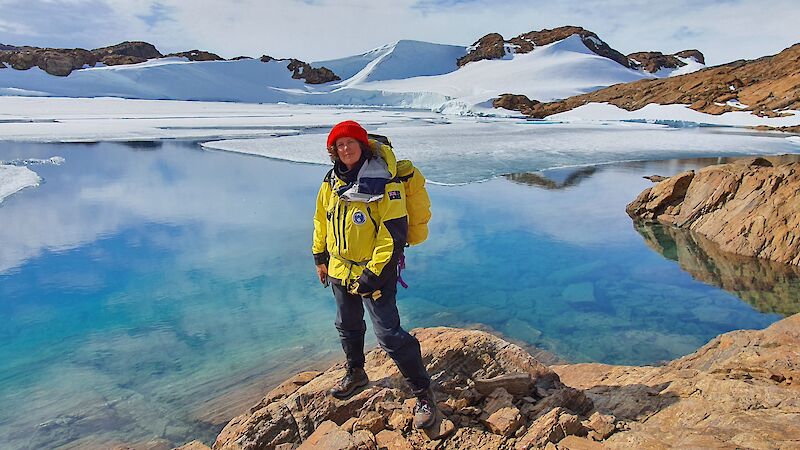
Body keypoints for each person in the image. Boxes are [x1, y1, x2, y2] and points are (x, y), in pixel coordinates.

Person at [312, 120, 436, 429]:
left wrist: (372, 274)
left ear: (362, 146)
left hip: (375, 271)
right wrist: (320, 256)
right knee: (347, 324)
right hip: (340, 267)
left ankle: (423, 393)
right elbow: (321, 220)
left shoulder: (386, 184)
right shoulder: (331, 182)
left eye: (350, 143)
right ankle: (356, 373)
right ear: (333, 152)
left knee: (389, 335)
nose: (345, 149)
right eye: (339, 146)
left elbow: (392, 235)